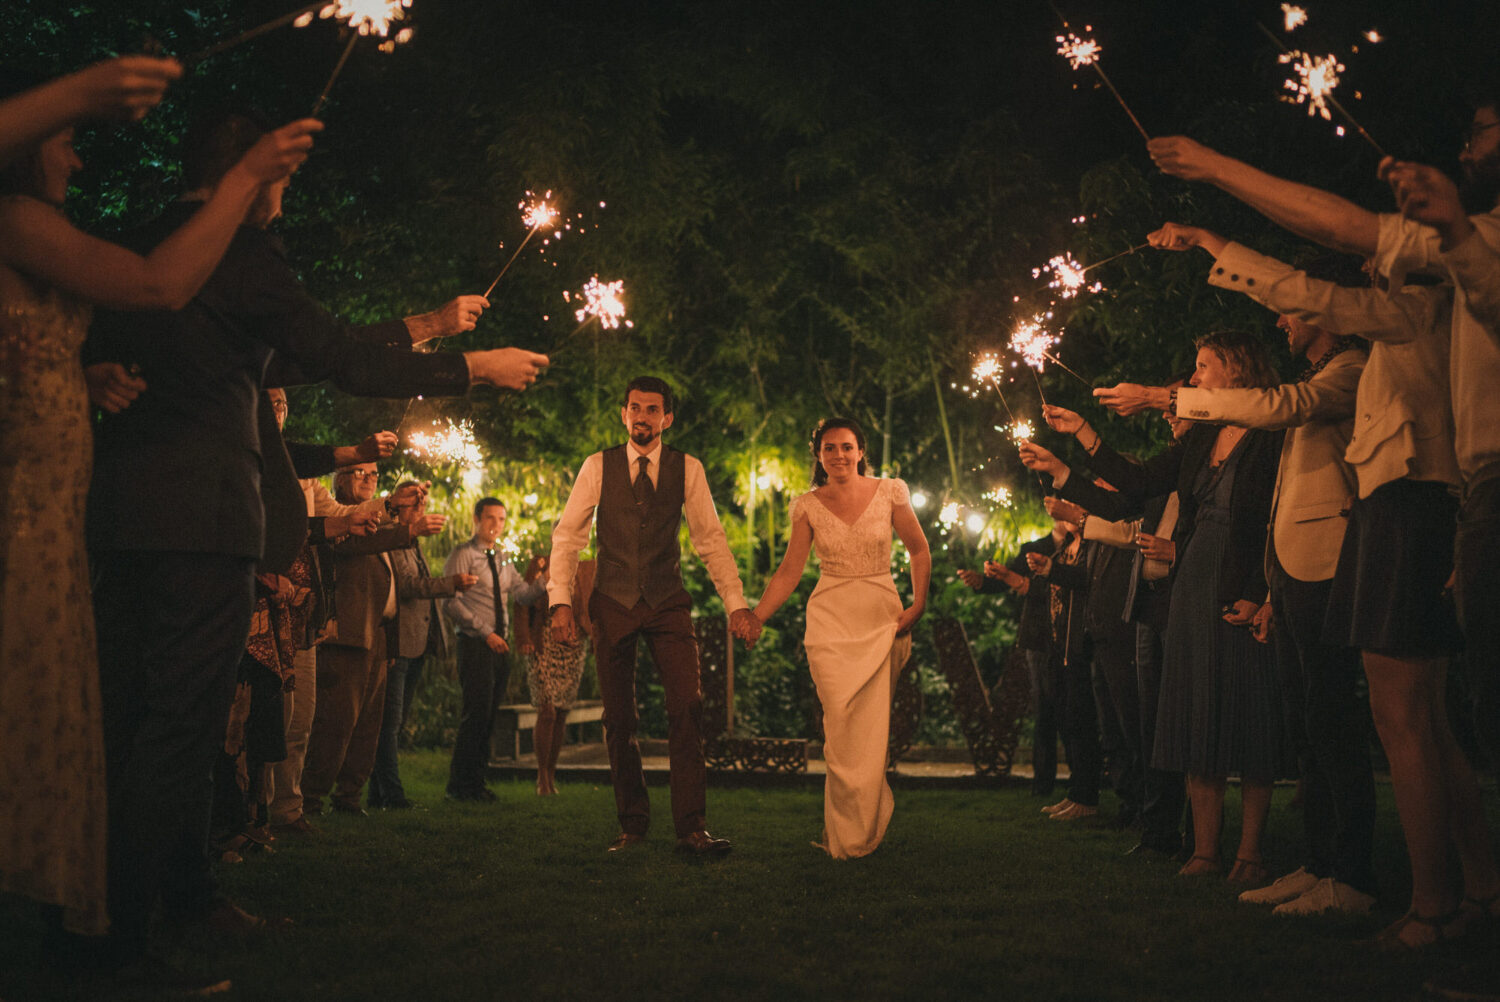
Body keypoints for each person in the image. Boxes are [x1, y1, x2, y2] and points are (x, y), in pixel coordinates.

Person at [82, 108, 547, 968]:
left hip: (121, 518)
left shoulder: (142, 241)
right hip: (203, 523)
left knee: (134, 719)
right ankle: (130, 934)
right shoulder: (241, 251)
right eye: (281, 185)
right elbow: (339, 357)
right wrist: (472, 368)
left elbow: (291, 354)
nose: (284, 206)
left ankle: (178, 897)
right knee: (179, 727)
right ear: (249, 177)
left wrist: (431, 324)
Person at [1147, 121, 1500, 946]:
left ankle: (1436, 903)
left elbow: (1317, 283)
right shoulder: (1406, 311)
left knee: (1405, 715)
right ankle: (1476, 887)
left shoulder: (1415, 311)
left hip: (1413, 503)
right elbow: (1317, 286)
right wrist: (1213, 236)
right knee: (1423, 718)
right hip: (1411, 505)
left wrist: (1210, 185)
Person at [0, 72, 314, 969]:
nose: (77, 150)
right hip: (36, 509)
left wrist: (84, 375)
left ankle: (92, 916)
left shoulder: (50, 234)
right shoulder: (19, 218)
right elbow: (155, 285)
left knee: (94, 716)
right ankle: (115, 935)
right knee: (144, 721)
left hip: (75, 509)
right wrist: (248, 179)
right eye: (63, 136)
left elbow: (74, 330)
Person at [1098, 234, 1377, 915]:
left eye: (1294, 306)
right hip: (1254, 573)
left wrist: (1165, 395)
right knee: (1305, 726)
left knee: (1318, 724)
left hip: (1306, 568)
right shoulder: (1278, 398)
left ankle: (1347, 873)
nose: (1282, 318)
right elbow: (1143, 487)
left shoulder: (1339, 376)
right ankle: (1316, 864)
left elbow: (1280, 415)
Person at [1021, 330, 1286, 885]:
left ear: (1236, 370)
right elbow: (1135, 485)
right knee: (1194, 712)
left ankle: (1251, 853)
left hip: (1239, 573)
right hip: (1192, 581)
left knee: (1248, 710)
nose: (1193, 379)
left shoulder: (1271, 433)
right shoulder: (1199, 440)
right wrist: (1083, 436)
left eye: (1203, 367)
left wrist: (1262, 588)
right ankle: (1206, 851)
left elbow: (1274, 515)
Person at [547, 376, 760, 855]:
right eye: (634, 408)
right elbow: (569, 537)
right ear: (624, 414)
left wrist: (736, 603)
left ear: (667, 418)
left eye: (652, 409)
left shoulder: (689, 468)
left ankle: (691, 828)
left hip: (666, 600)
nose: (642, 416)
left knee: (687, 705)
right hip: (613, 601)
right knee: (619, 719)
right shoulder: (597, 466)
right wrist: (560, 601)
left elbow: (710, 541)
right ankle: (633, 825)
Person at [751, 418, 930, 859]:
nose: (839, 455)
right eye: (829, 448)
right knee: (839, 726)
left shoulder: (891, 491)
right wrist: (756, 616)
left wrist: (918, 604)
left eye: (846, 447)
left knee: (869, 730)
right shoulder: (807, 506)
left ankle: (858, 832)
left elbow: (919, 549)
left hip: (880, 617)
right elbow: (790, 571)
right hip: (829, 620)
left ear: (861, 450)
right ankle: (845, 834)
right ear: (819, 455)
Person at [303, 465, 445, 817]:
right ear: (338, 479)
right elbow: (357, 544)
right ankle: (310, 798)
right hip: (347, 635)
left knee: (369, 724)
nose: (368, 478)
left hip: (378, 634)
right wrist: (408, 530)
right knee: (337, 721)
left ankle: (349, 796)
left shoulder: (377, 521)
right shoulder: (335, 520)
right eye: (359, 471)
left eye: (374, 473)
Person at [374, 483, 477, 810]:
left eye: (422, 504)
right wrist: (452, 584)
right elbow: (406, 585)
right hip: (399, 642)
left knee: (396, 722)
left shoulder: (412, 542)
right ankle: (392, 795)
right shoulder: (391, 538)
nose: (421, 509)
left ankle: (378, 795)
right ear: (397, 507)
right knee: (388, 724)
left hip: (416, 644)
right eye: (414, 504)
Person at [442, 498, 547, 801]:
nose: (496, 525)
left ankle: (476, 783)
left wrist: (545, 582)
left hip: (499, 647)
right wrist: (486, 633)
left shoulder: (502, 558)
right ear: (476, 519)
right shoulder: (463, 554)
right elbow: (449, 601)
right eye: (490, 518)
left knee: (488, 715)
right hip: (476, 643)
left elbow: (523, 595)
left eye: (501, 519)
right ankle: (459, 786)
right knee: (475, 714)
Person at [959, 520, 1064, 797]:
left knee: (1071, 710)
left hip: (1070, 635)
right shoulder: (1033, 548)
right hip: (1039, 635)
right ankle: (1043, 785)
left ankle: (1081, 787)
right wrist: (983, 580)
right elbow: (1007, 580)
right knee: (1043, 709)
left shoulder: (1081, 546)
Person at [517, 558, 596, 796]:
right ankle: (542, 775)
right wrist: (524, 638)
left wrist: (594, 635)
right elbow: (521, 603)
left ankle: (552, 772)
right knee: (547, 709)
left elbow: (593, 605)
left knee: (562, 711)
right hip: (543, 643)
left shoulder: (586, 567)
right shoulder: (540, 564)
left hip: (573, 645)